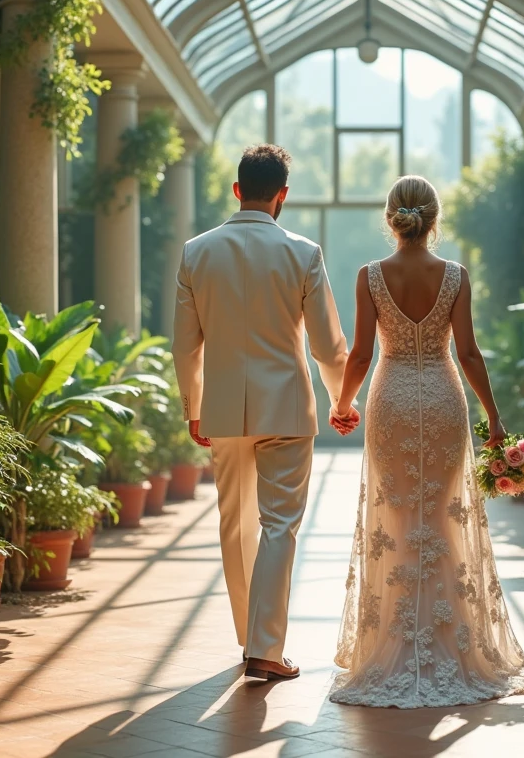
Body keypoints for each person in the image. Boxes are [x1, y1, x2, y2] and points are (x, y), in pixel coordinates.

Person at [328, 175, 524, 708]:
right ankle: (450, 640)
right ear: (434, 218)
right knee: (441, 516)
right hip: (444, 399)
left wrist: (343, 404)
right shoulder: (455, 276)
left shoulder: (370, 276)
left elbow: (361, 354)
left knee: (399, 520)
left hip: (392, 401)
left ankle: (397, 641)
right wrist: (495, 416)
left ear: (391, 218)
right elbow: (468, 353)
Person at [173, 144, 360, 683]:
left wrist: (194, 407)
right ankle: (265, 648)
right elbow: (329, 346)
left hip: (223, 410)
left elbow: (185, 346)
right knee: (279, 527)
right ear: (283, 194)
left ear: (237, 190)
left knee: (235, 523)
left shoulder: (196, 252)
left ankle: (248, 638)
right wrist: (340, 401)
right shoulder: (303, 253)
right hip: (287, 410)